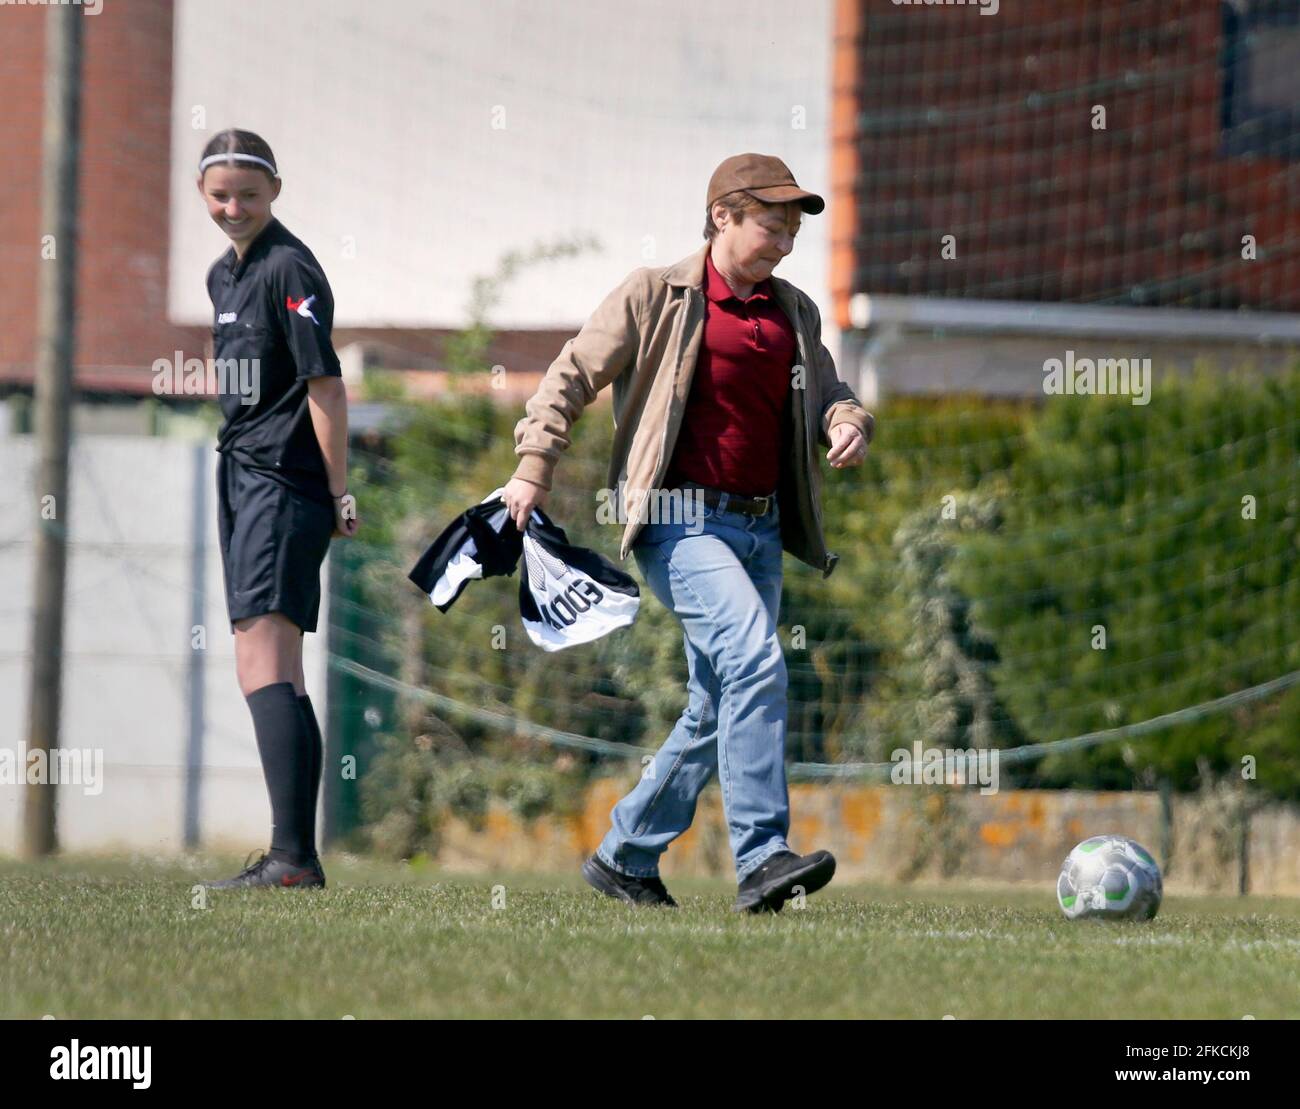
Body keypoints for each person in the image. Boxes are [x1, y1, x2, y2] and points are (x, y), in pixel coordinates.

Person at [502, 153, 873, 913]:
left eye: (792, 231)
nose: (783, 242)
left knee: (717, 701)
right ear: (722, 217)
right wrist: (533, 465)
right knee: (756, 659)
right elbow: (571, 374)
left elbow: (830, 386)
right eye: (771, 226)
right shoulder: (654, 294)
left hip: (760, 529)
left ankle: (626, 853)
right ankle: (764, 855)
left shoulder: (794, 311)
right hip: (678, 522)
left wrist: (845, 417)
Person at [195, 129, 358, 890]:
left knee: (260, 659)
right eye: (221, 195)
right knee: (283, 670)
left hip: (284, 486)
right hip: (243, 479)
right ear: (203, 193)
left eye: (248, 196)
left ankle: (292, 856)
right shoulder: (221, 276)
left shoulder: (291, 267)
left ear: (276, 193)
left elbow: (325, 385)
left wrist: (337, 489)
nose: (234, 208)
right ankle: (295, 856)